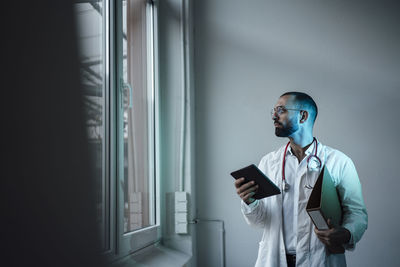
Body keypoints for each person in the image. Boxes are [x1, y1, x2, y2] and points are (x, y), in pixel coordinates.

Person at [234, 92, 367, 267]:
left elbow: (357, 214)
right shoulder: (269, 162)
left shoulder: (339, 162)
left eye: (281, 110)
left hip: (320, 260)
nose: (274, 116)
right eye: (273, 111)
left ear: (303, 116)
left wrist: (346, 233)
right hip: (275, 259)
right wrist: (250, 201)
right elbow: (260, 221)